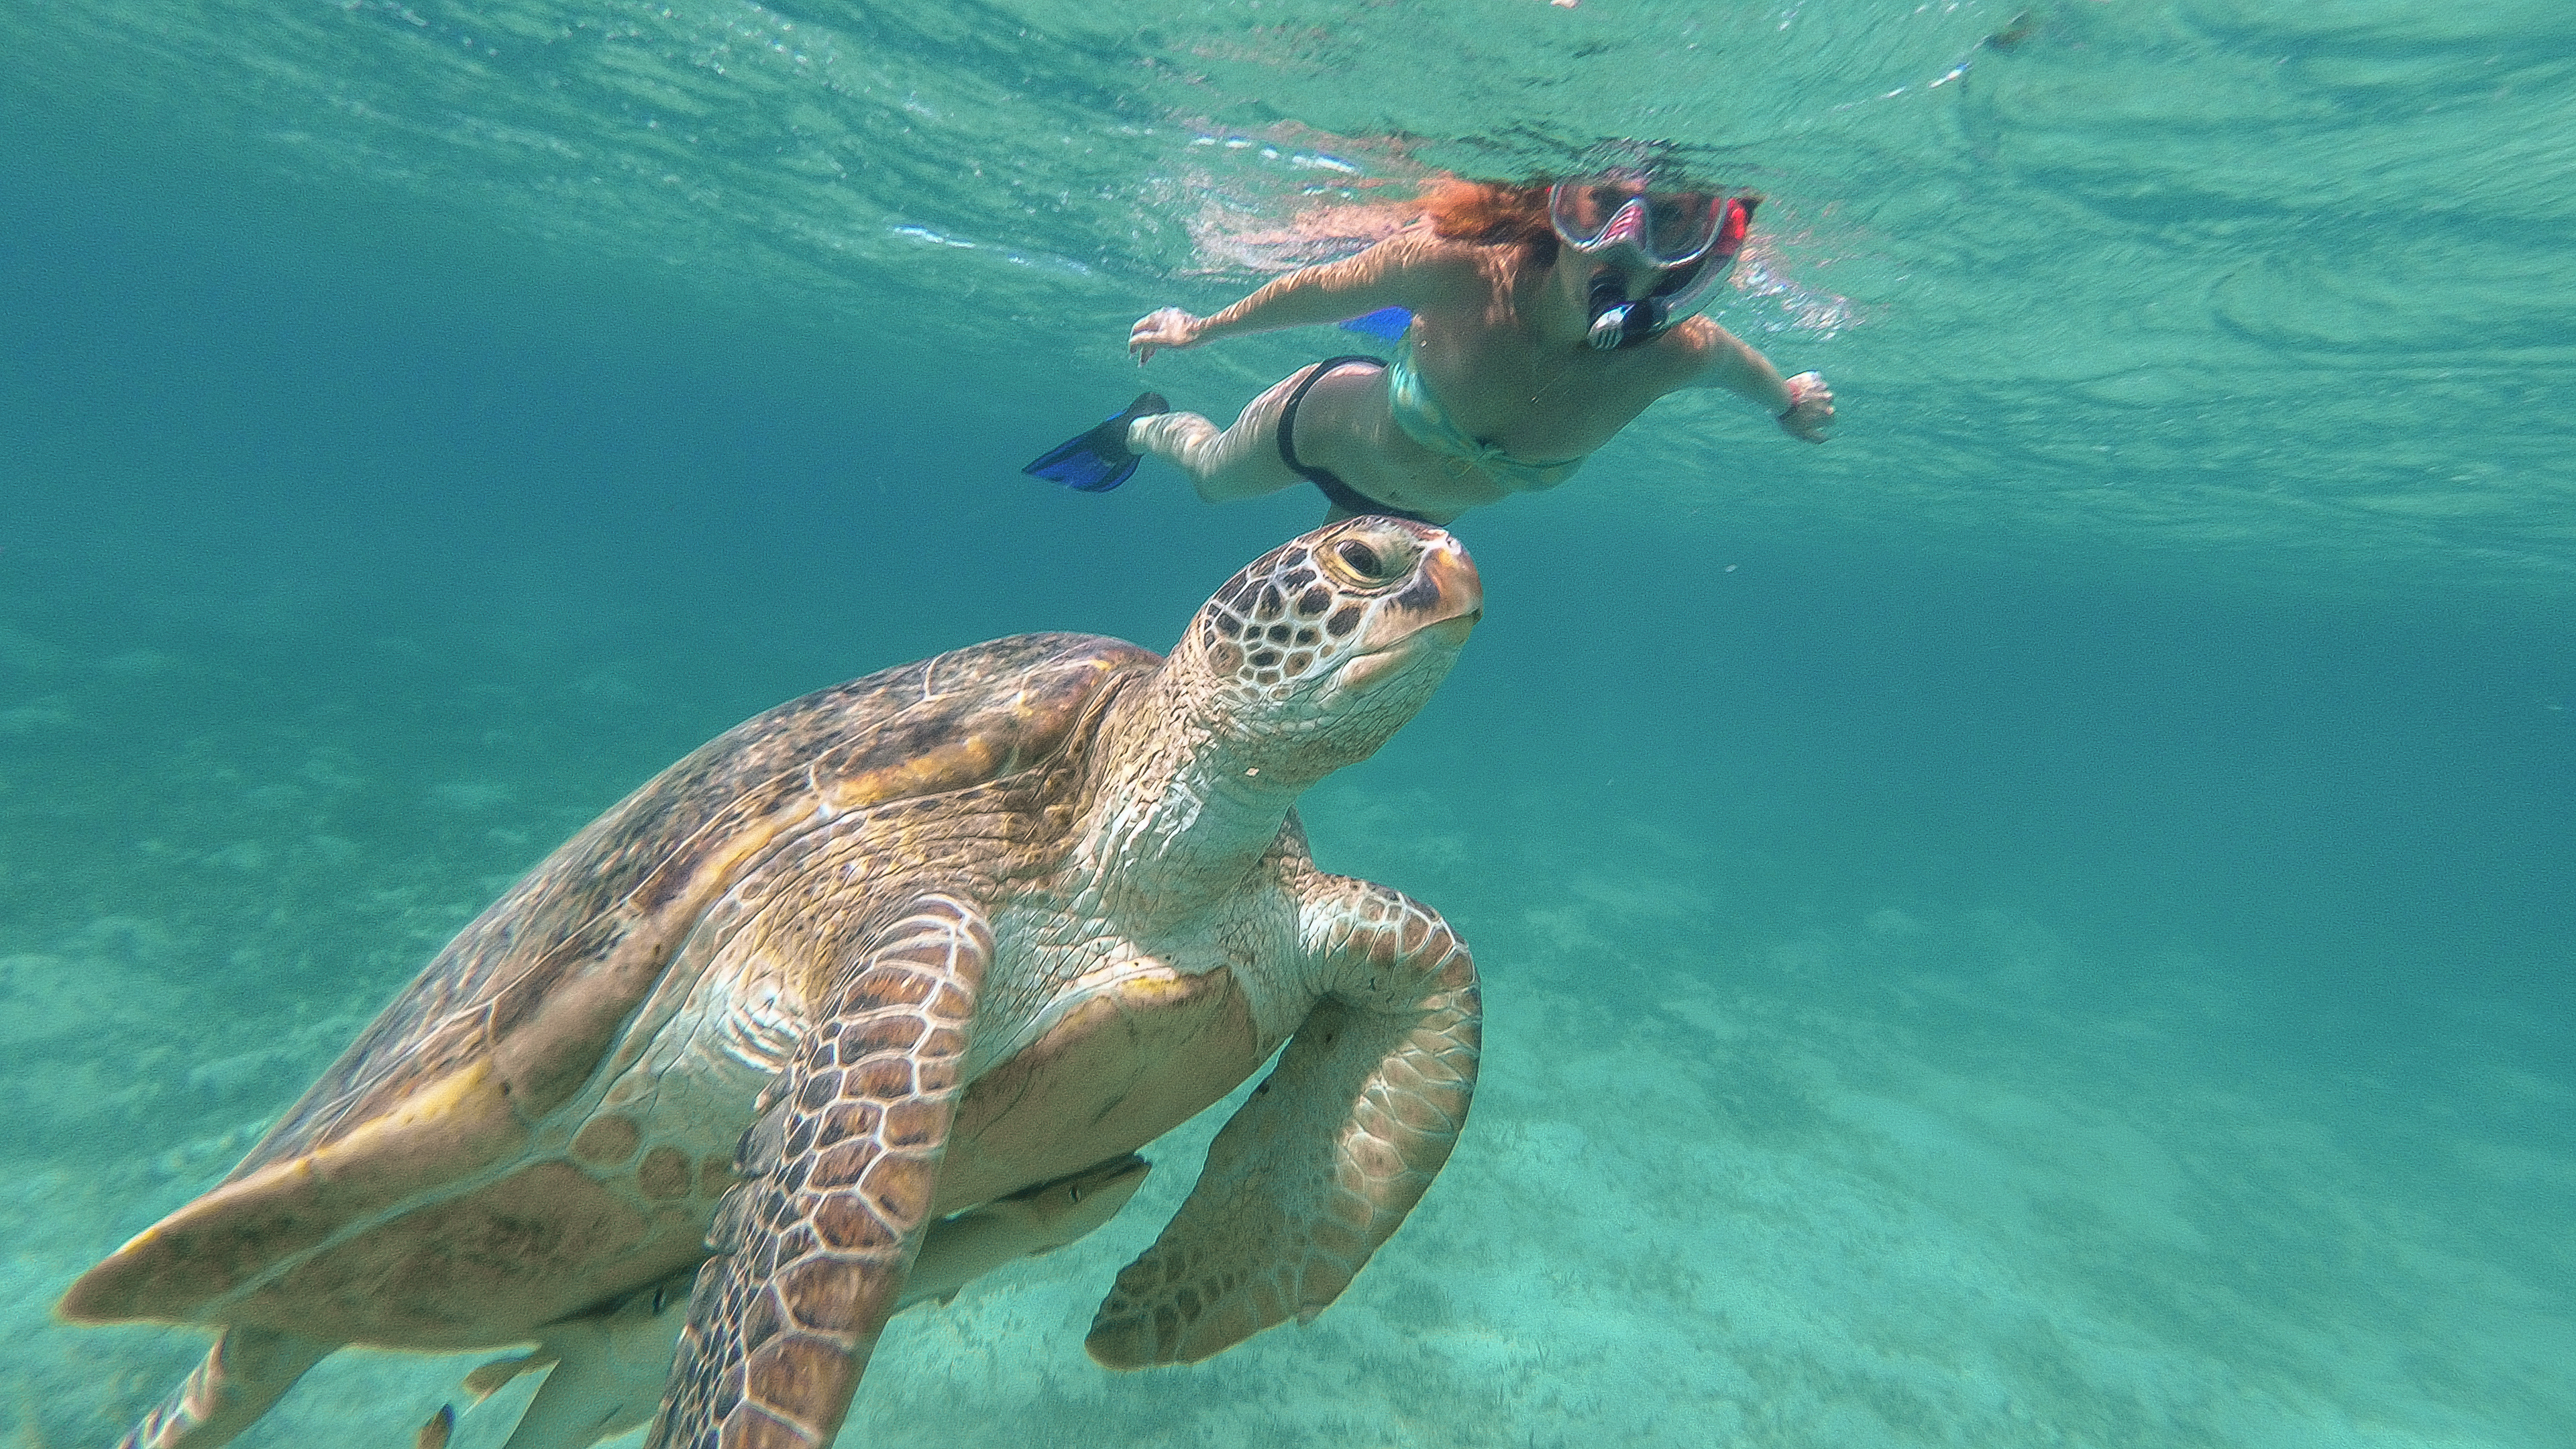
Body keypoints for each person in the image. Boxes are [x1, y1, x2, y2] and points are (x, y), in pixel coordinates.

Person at [1023, 164, 1834, 525]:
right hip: (1321, 428)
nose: (1629, 246)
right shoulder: (1462, 273)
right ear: (1564, 213)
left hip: (1418, 511)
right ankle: (1136, 427)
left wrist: (1791, 402)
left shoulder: (1677, 352)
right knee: (1209, 481)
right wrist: (1198, 330)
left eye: (1674, 224)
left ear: (1702, 249)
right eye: (1606, 212)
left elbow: (1750, 374)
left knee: (1335, 602)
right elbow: (1313, 293)